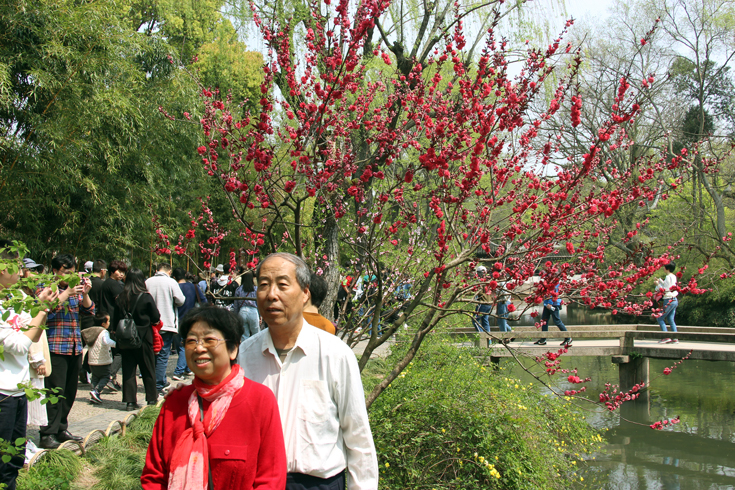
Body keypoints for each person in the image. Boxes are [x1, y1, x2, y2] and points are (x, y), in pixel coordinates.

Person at [238, 253, 378, 490]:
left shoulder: (335, 354)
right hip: (258, 482)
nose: (271, 294)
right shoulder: (245, 354)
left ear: (305, 293)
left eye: (282, 285)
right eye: (263, 285)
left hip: (318, 483)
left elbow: (357, 435)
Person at [141, 305, 287, 490]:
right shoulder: (175, 403)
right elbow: (154, 476)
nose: (199, 348)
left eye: (209, 340)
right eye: (191, 340)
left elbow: (271, 479)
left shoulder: (259, 400)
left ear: (233, 349)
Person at [0, 241, 56, 490]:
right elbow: (20, 344)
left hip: (18, 391)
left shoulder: (14, 298)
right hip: (2, 394)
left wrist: (42, 305)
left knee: (13, 461)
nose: (22, 273)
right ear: (3, 267)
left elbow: (31, 333)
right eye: (19, 266)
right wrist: (42, 308)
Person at [39, 253, 95, 449]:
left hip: (73, 346)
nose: (70, 276)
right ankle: (47, 433)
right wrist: (66, 294)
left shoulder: (75, 289)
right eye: (66, 272)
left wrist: (85, 293)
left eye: (72, 272)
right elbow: (45, 311)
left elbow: (89, 312)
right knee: (55, 391)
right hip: (55, 347)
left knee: (70, 391)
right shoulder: (46, 288)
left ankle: (61, 428)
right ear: (55, 271)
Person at [113, 268, 161, 410]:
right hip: (144, 337)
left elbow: (115, 319)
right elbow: (156, 317)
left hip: (125, 338)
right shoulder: (145, 297)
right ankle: (151, 398)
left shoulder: (120, 297)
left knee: (128, 370)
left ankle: (130, 401)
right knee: (147, 368)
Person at [146, 263, 185, 395]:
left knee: (153, 353)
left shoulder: (148, 281)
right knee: (163, 354)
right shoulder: (171, 282)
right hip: (166, 322)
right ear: (169, 271)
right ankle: (157, 384)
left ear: (157, 270)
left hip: (150, 324)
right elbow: (180, 300)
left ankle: (159, 380)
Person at [171, 267, 206, 381]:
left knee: (181, 346)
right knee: (186, 345)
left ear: (174, 277)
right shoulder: (194, 287)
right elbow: (203, 301)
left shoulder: (173, 287)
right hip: (191, 319)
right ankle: (184, 369)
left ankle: (180, 370)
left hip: (176, 320)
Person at [83, 312, 116, 404]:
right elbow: (106, 341)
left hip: (92, 360)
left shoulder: (91, 331)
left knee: (95, 378)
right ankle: (96, 391)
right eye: (108, 321)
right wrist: (116, 344)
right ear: (103, 323)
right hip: (102, 360)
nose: (109, 323)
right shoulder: (103, 332)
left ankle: (94, 396)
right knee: (106, 377)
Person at [655, 262, 679, 344]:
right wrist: (661, 281)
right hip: (674, 299)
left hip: (668, 300)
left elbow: (664, 290)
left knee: (660, 318)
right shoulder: (673, 276)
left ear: (667, 268)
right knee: (670, 319)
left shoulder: (668, 277)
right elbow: (668, 286)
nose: (663, 268)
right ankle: (675, 338)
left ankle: (666, 337)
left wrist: (658, 284)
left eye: (664, 267)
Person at [234, 270, 259, 340]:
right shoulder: (256, 289)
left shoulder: (238, 289)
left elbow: (236, 305)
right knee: (256, 334)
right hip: (253, 311)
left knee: (244, 335)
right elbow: (259, 303)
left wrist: (236, 316)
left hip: (242, 312)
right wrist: (260, 315)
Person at [472, 266, 493, 333]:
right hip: (489, 303)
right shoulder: (489, 280)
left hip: (482, 303)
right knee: (485, 320)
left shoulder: (481, 281)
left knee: (475, 319)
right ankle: (488, 339)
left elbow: (479, 292)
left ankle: (481, 336)